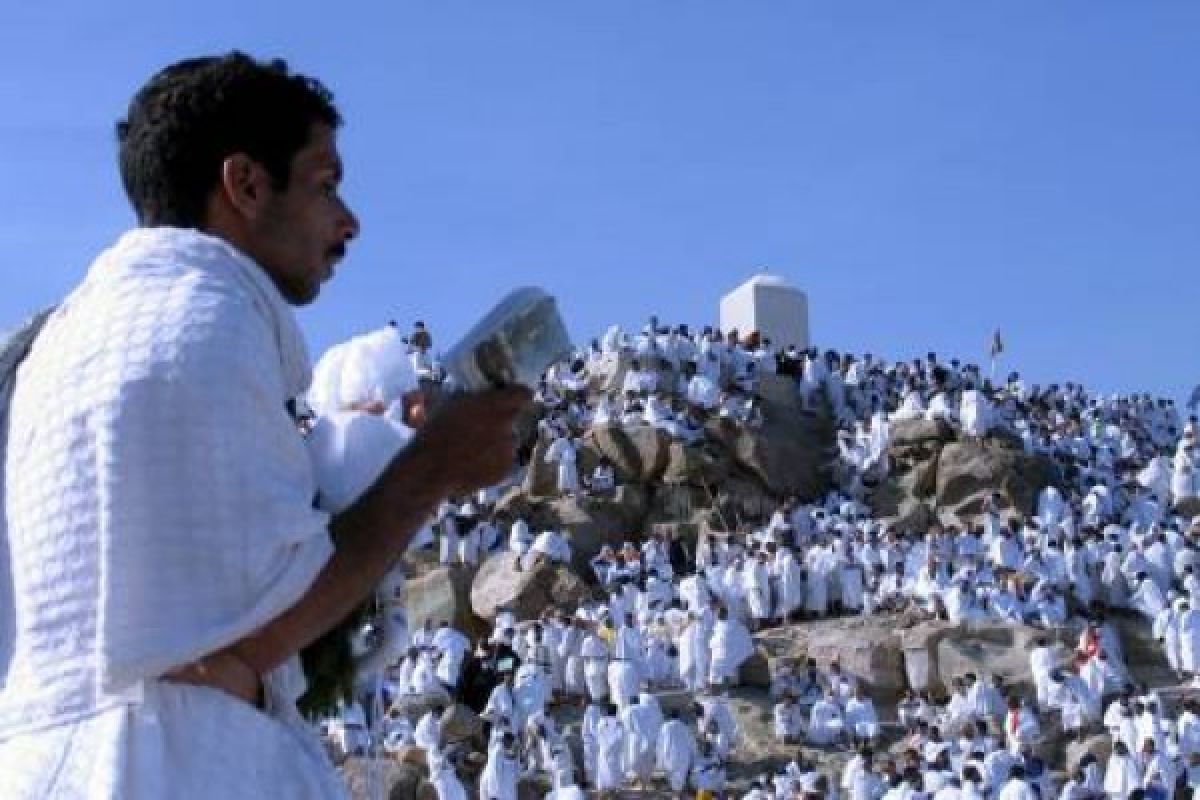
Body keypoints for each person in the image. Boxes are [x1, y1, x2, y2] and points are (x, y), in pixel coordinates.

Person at [0, 53, 531, 800]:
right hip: (163, 765)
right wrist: (436, 464)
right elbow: (250, 623)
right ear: (246, 185)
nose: (348, 221)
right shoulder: (203, 317)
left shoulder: (66, 337)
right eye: (325, 184)